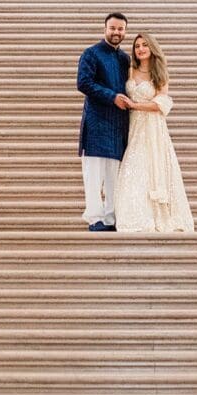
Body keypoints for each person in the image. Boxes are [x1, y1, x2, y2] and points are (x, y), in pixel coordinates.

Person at [114, 32, 194, 233]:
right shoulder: (129, 71)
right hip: (133, 126)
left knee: (153, 165)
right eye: (137, 46)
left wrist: (135, 105)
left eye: (144, 45)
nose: (140, 49)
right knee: (134, 166)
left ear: (152, 49)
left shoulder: (160, 73)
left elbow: (162, 103)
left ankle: (159, 215)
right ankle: (135, 214)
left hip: (153, 127)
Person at [77, 13, 131, 232]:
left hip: (118, 126)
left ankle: (110, 217)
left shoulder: (125, 58)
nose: (116, 32)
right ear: (105, 29)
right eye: (112, 28)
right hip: (97, 124)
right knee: (94, 175)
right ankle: (95, 218)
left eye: (120, 29)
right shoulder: (91, 53)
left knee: (113, 177)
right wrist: (112, 97)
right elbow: (83, 83)